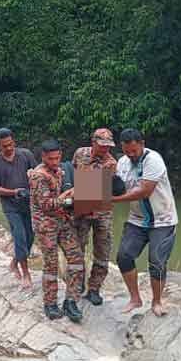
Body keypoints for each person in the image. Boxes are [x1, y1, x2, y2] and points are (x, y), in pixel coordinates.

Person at [111, 128, 178, 317]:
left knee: (156, 262)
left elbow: (144, 191)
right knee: (124, 256)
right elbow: (115, 185)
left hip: (163, 220)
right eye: (127, 151)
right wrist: (85, 193)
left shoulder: (153, 160)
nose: (131, 155)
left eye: (134, 151)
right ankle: (135, 298)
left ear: (142, 144)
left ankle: (157, 302)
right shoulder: (122, 163)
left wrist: (112, 200)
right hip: (137, 220)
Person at [28, 139, 85, 322]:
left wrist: (76, 198)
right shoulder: (38, 176)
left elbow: (61, 200)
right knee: (51, 265)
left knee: (76, 259)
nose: (54, 162)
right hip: (46, 225)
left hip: (63, 221)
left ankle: (71, 301)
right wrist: (69, 198)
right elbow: (46, 205)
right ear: (43, 157)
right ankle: (50, 303)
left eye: (57, 158)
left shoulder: (59, 171)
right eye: (51, 159)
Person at [71, 127, 118, 306]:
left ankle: (94, 288)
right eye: (102, 145)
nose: (106, 149)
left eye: (108, 146)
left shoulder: (110, 163)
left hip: (101, 211)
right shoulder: (80, 153)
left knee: (102, 251)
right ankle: (78, 284)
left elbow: (96, 189)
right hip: (81, 208)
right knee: (78, 249)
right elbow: (75, 175)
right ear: (93, 142)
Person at [0, 127, 36, 290]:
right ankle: (26, 274)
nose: (8, 148)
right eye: (4, 146)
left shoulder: (26, 155)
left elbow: (37, 174)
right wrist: (13, 192)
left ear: (13, 141)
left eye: (10, 144)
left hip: (29, 203)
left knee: (30, 237)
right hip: (10, 206)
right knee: (20, 236)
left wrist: (32, 180)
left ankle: (15, 262)